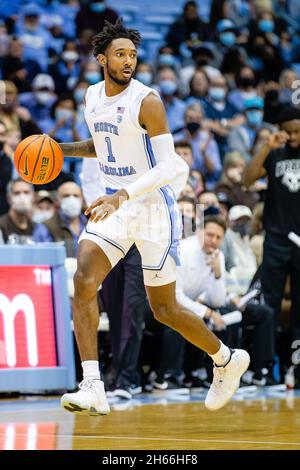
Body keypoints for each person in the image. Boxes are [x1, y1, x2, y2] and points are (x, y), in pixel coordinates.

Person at [59, 19, 249, 415]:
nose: (128, 61)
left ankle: (226, 359)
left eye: (132, 55)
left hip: (151, 208)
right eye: (120, 54)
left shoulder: (147, 101)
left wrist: (123, 194)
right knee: (83, 281)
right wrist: (60, 150)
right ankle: (93, 384)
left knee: (164, 310)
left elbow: (172, 167)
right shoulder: (92, 96)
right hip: (116, 203)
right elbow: (102, 146)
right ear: (101, 59)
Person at [243, 106, 300, 385]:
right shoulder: (274, 152)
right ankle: (266, 369)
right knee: (270, 307)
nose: (292, 136)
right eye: (287, 131)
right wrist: (266, 146)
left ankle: (296, 368)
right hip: (276, 240)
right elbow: (246, 179)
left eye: (297, 131)